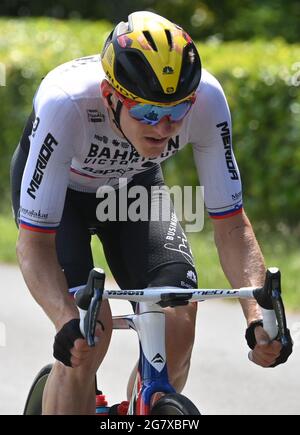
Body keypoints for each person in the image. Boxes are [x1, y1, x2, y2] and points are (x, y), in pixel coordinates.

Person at [11, 11, 291, 415]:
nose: (164, 128)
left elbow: (231, 226)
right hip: (63, 200)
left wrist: (258, 316)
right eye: (146, 113)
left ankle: (147, 405)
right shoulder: (66, 104)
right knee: (90, 335)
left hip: (133, 187)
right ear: (111, 97)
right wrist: (63, 317)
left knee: (177, 320)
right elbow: (34, 243)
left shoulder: (208, 101)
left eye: (177, 112)